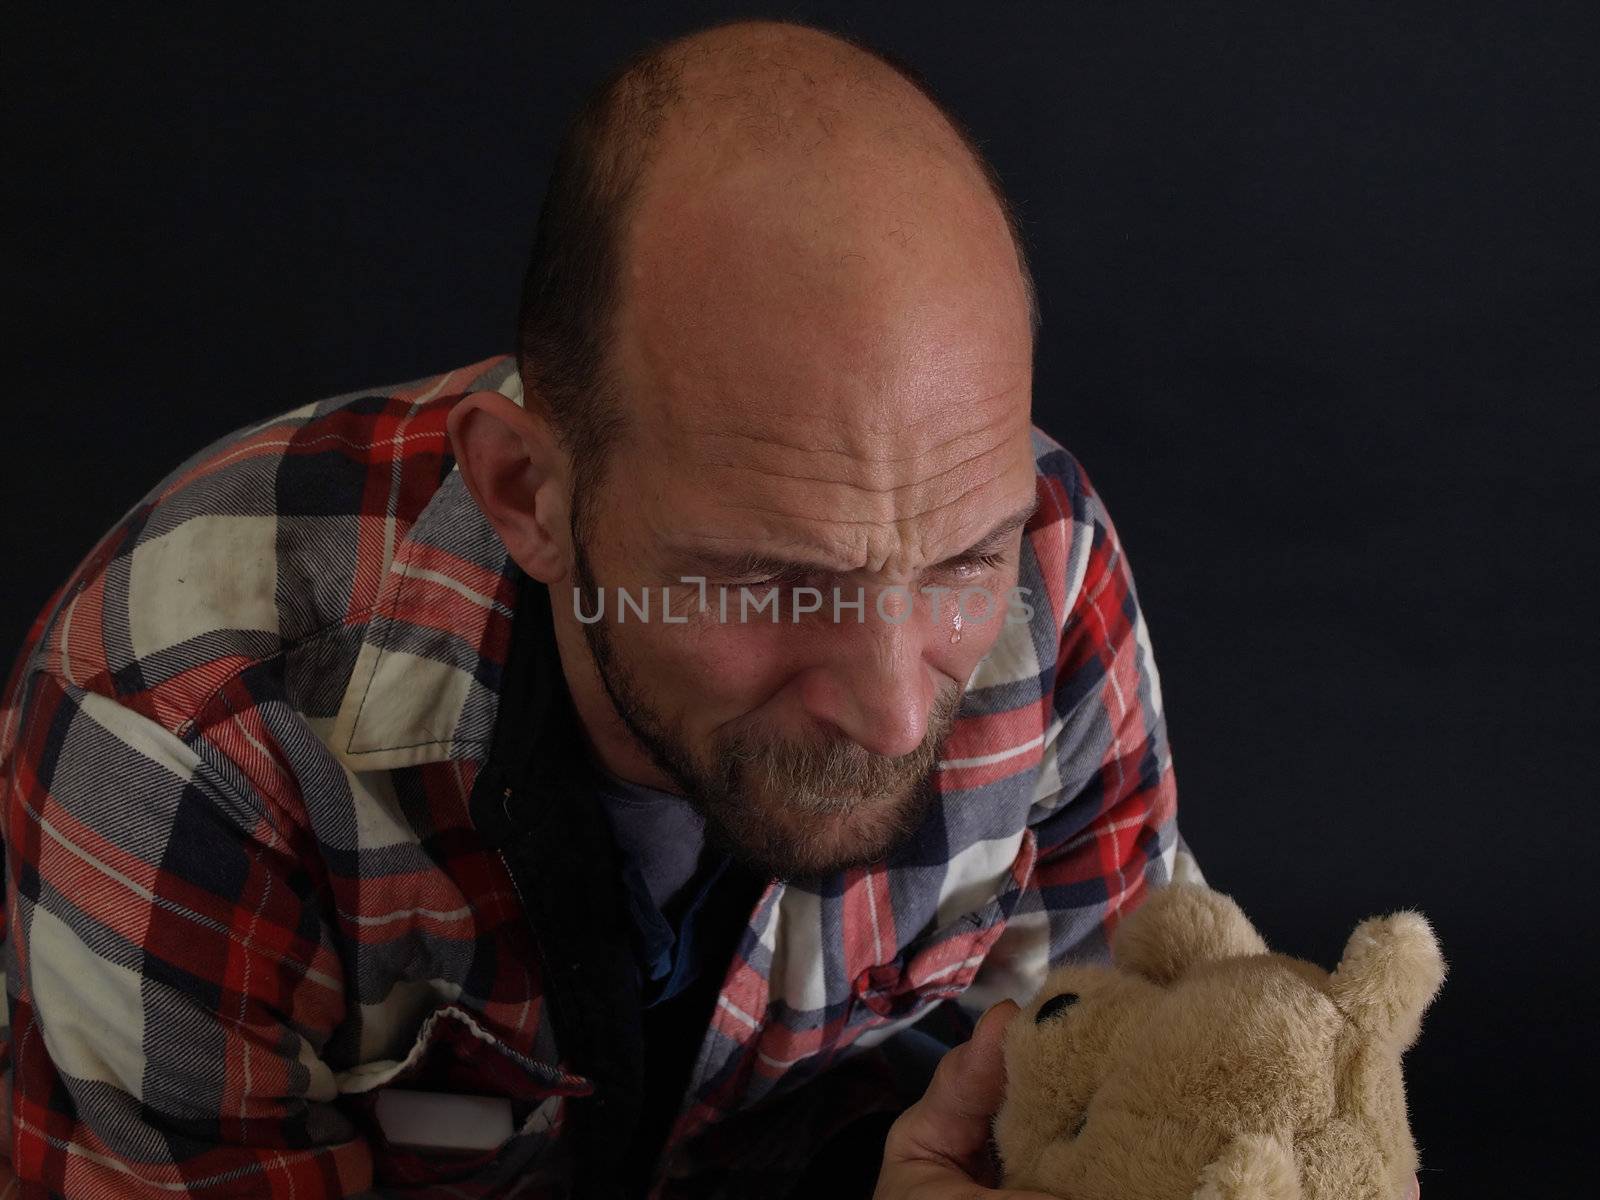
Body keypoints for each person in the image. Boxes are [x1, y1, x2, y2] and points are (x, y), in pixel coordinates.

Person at [0, 18, 1208, 1199]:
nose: (896, 715)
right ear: (527, 492)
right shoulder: (186, 731)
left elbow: (1137, 1092)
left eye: (959, 563)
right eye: (773, 579)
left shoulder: (1047, 558)